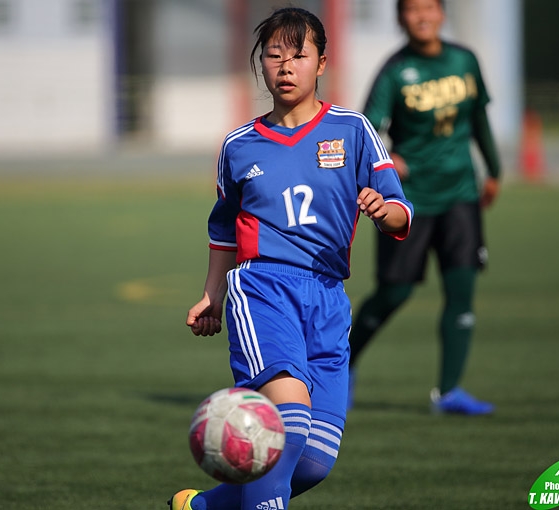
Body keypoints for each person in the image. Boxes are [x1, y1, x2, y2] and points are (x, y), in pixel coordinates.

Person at [168, 7, 413, 510]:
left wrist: (381, 208)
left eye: (298, 55)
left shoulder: (353, 130)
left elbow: (400, 211)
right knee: (287, 426)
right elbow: (223, 229)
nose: (284, 66)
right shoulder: (239, 145)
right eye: (273, 55)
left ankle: (200, 507)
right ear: (260, 63)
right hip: (263, 289)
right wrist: (213, 295)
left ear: (321, 63)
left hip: (328, 297)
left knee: (314, 461)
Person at [347, 0, 501, 415]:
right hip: (410, 201)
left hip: (461, 194)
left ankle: (449, 392)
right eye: (412, 9)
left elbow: (479, 119)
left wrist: (494, 171)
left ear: (442, 13)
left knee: (461, 289)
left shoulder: (464, 60)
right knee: (394, 292)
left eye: (429, 7)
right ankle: (342, 366)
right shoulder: (395, 70)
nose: (422, 16)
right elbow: (366, 129)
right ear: (400, 18)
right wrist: (387, 159)